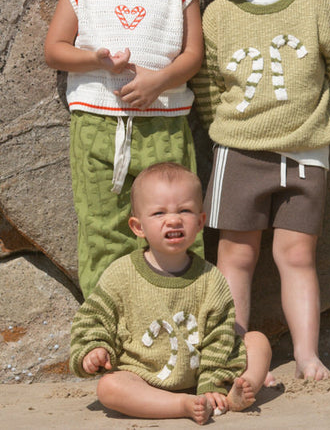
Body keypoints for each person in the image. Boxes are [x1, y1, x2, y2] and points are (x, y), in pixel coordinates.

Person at [181, 0, 330, 381]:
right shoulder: (216, 17)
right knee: (234, 256)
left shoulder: (314, 4)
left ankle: (306, 355)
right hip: (238, 153)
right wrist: (229, 130)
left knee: (297, 256)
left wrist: (320, 115)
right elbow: (206, 85)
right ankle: (235, 355)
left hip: (306, 154)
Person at [44, 0, 204, 297]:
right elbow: (54, 49)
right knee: (103, 230)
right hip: (97, 127)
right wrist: (93, 59)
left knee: (178, 230)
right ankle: (107, 333)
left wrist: (159, 81)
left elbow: (193, 55)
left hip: (164, 126)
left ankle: (183, 322)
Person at [70, 162, 271, 423]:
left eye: (184, 210)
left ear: (200, 222)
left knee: (256, 341)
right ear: (138, 226)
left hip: (201, 375)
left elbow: (219, 337)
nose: (173, 219)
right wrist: (94, 348)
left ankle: (242, 389)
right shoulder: (121, 273)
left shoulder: (211, 278)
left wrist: (212, 383)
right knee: (108, 387)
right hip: (140, 377)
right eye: (159, 213)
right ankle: (180, 405)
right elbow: (93, 318)